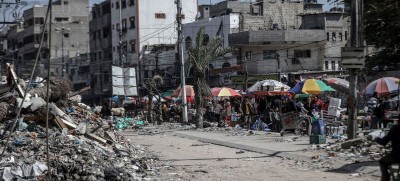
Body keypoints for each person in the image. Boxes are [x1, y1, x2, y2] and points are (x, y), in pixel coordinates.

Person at [375, 115, 400, 181]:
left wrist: (377, 139)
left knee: (382, 162)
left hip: (397, 156)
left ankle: (385, 179)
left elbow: (383, 142)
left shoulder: (395, 128)